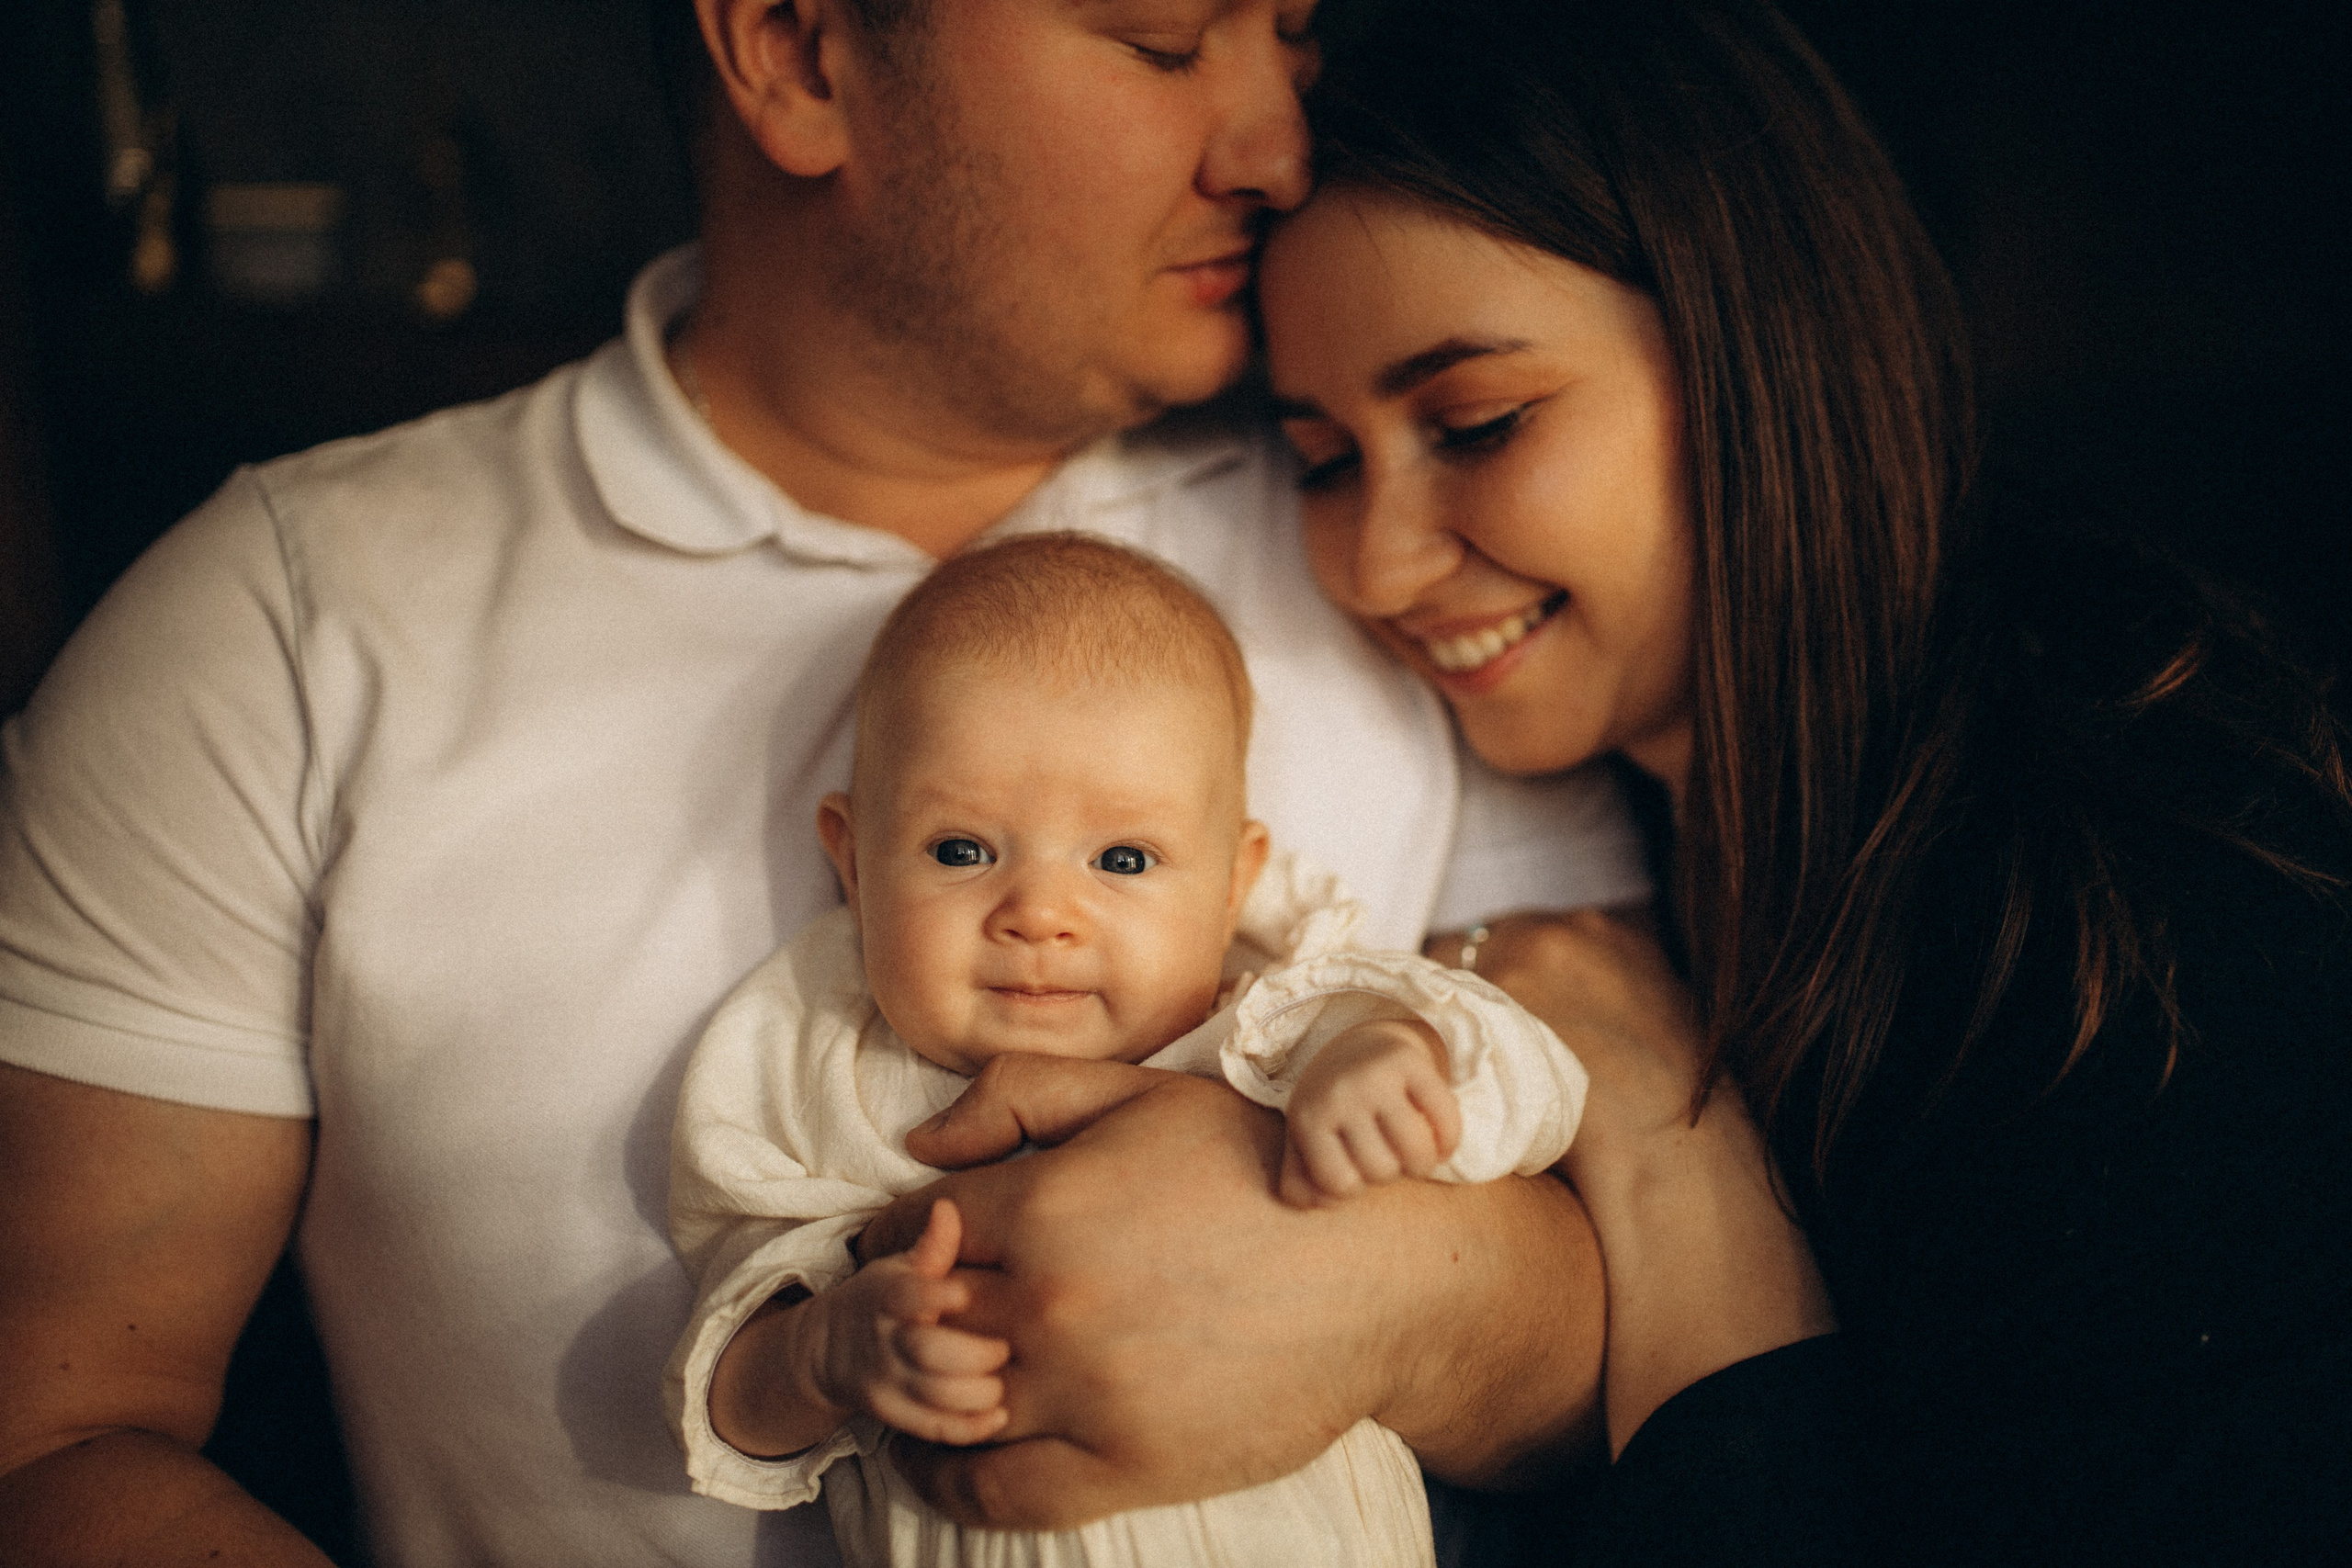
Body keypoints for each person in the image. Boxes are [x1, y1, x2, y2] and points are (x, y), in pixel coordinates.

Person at [0, 3, 1648, 1564]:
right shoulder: (281, 624)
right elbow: (51, 1436)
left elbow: (1676, 1298)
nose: (1280, 147)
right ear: (796, 53)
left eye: (1289, 35)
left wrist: (1400, 1295)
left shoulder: (1402, 553)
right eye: (1163, 40)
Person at [1249, 0, 2352, 1561]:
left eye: (1479, 424)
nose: (1373, 559)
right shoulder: (1612, 808)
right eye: (1322, 458)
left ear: (1756, 351)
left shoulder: (2143, 896)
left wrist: (1661, 1133)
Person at [664, 534, 1593, 1568]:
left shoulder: (1277, 1027)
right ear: (850, 857)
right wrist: (821, 1351)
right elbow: (725, 1402)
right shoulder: (818, 1065)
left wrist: (1389, 1059)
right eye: (961, 850)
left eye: (1123, 858)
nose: (1040, 914)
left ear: (1233, 882)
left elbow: (1534, 1085)